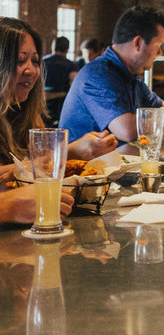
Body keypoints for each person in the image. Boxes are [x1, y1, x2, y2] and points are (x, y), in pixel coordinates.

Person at [0, 18, 116, 224]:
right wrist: (7, 206)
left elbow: (31, 168)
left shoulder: (22, 117)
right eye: (19, 60)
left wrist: (75, 151)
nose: (31, 70)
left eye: (35, 61)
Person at [60, 6, 164, 144]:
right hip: (85, 164)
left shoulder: (131, 74)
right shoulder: (97, 75)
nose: (160, 53)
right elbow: (127, 130)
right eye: (158, 46)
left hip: (115, 160)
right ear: (138, 43)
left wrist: (152, 120)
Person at [42, 36, 78, 123]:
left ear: (53, 47)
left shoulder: (42, 62)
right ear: (67, 49)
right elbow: (75, 86)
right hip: (61, 106)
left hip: (42, 103)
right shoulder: (71, 65)